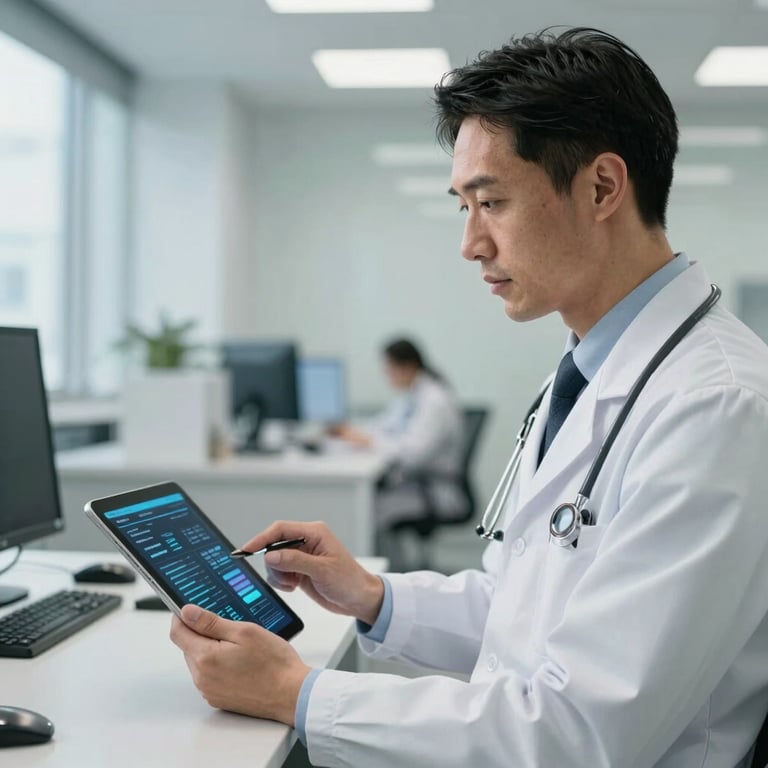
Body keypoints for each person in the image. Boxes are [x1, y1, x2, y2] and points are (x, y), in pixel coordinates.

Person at [170, 27, 768, 767]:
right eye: (464, 206)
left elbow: (578, 736)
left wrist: (298, 694)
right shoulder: (587, 369)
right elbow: (523, 611)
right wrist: (371, 594)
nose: (472, 244)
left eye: (492, 202)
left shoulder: (717, 407)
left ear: (603, 188)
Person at [331, 338, 467, 537]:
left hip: (433, 490)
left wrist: (368, 441)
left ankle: (388, 567)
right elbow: (384, 426)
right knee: (363, 504)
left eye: (389, 369)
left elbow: (413, 454)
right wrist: (356, 435)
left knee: (363, 510)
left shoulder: (435, 400)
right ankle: (395, 565)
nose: (387, 376)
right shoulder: (411, 395)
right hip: (415, 485)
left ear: (408, 366)